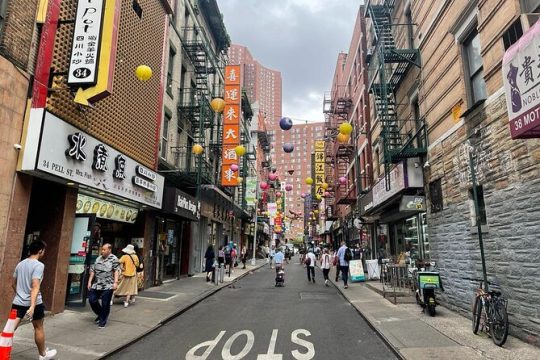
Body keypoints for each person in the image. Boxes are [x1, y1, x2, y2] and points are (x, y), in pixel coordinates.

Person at [11, 240, 57, 360]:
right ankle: (43, 354)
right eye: (44, 250)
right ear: (40, 251)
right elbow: (35, 286)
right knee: (38, 327)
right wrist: (32, 306)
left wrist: (20, 294)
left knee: (10, 329)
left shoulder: (20, 264)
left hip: (17, 302)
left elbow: (13, 284)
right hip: (34, 303)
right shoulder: (39, 265)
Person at [88, 243, 120, 328]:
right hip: (97, 284)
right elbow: (93, 270)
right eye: (102, 249)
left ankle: (102, 321)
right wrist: (89, 281)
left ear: (109, 250)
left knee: (105, 303)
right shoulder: (98, 258)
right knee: (92, 300)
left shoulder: (114, 259)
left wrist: (116, 282)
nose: (102, 251)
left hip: (108, 285)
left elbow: (116, 270)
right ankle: (101, 314)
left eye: (104, 249)